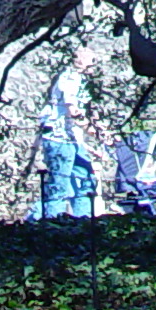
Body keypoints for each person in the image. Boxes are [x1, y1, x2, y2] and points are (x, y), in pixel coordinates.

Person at [36, 49, 100, 219]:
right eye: (92, 60)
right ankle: (49, 224)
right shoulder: (69, 78)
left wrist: (87, 141)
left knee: (87, 179)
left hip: (72, 140)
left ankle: (84, 220)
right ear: (81, 61)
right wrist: (94, 132)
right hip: (59, 139)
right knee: (59, 185)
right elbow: (72, 110)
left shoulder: (83, 81)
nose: (95, 63)